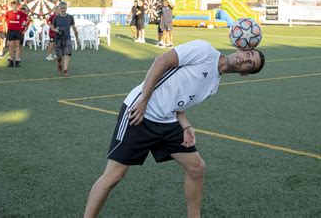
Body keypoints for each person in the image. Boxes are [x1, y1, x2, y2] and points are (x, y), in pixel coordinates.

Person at [84, 39, 265, 218]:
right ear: (241, 49)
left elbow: (179, 105)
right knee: (114, 176)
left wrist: (186, 125)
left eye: (250, 65)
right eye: (248, 55)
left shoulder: (213, 86)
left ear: (244, 73)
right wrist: (144, 100)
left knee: (197, 168)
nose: (245, 60)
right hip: (140, 113)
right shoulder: (205, 50)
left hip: (167, 122)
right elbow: (162, 61)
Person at [50, 2, 79, 77]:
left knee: (67, 53)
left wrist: (77, 39)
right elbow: (52, 27)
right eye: (61, 8)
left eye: (64, 8)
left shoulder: (70, 17)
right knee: (59, 56)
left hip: (67, 38)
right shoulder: (56, 17)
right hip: (58, 39)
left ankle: (65, 70)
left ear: (66, 8)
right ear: (59, 8)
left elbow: (74, 28)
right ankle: (59, 63)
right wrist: (56, 30)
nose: (63, 10)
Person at [4, 0, 29, 67]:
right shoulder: (8, 13)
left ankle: (17, 60)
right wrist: (5, 29)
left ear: (17, 6)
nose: (14, 7)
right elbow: (4, 20)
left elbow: (28, 17)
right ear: (11, 6)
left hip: (18, 31)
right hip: (10, 31)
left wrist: (26, 22)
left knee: (18, 46)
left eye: (16, 5)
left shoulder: (20, 13)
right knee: (11, 46)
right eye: (13, 5)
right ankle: (11, 61)